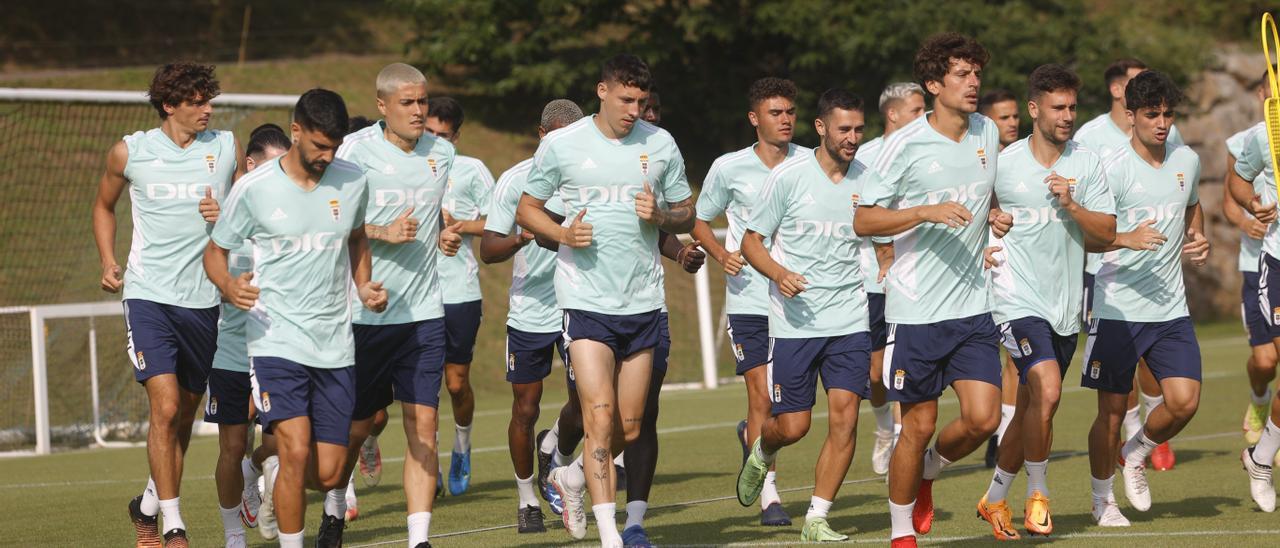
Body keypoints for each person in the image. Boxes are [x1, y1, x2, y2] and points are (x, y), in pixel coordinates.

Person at [516, 53, 695, 547]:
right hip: (585, 301)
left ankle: (570, 474)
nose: (634, 110)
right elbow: (527, 210)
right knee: (597, 415)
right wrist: (562, 234)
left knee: (628, 428)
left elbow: (685, 212)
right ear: (602, 91)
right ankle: (610, 536)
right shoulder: (563, 145)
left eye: (641, 101)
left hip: (643, 303)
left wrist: (661, 212)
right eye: (625, 99)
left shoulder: (661, 144)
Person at [205, 88, 389, 548]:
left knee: (327, 473)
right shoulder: (255, 187)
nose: (327, 156)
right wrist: (229, 286)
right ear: (296, 132)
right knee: (296, 448)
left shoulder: (352, 180)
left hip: (335, 344)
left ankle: (267, 466)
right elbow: (216, 252)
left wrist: (363, 285)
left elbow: (357, 238)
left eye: (334, 147)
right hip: (274, 340)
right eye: (319, 146)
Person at [853, 32, 1013, 548]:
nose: (973, 83)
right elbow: (863, 219)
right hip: (916, 311)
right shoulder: (901, 146)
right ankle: (901, 534)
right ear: (933, 84)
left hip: (972, 306)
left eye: (976, 74)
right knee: (917, 425)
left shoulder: (987, 131)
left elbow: (987, 194)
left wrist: (996, 218)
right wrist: (924, 211)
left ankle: (929, 472)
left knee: (984, 418)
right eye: (962, 75)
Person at [94, 61, 242, 548]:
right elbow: (103, 206)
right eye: (198, 101)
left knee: (182, 419)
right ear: (169, 105)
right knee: (166, 406)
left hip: (205, 301)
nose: (208, 109)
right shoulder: (130, 151)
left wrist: (226, 214)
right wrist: (108, 260)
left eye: (209, 99)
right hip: (148, 295)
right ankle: (174, 526)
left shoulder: (224, 148)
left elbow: (248, 209)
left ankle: (147, 506)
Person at [976, 64, 1117, 539]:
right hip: (1015, 298)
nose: (1068, 115)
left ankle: (994, 499)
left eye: (1073, 106)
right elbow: (974, 214)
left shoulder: (1087, 163)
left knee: (1039, 406)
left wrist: (1073, 205)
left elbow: (1106, 235)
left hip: (1065, 304)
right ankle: (1039, 496)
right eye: (1058, 107)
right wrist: (988, 227)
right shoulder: (1004, 161)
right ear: (1034, 109)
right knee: (1048, 389)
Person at [325, 63, 462, 548]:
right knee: (359, 426)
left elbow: (431, 206)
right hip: (367, 312)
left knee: (424, 422)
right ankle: (335, 503)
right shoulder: (353, 154)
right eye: (408, 103)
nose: (419, 111)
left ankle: (418, 539)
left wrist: (444, 230)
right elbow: (328, 221)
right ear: (382, 106)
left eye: (423, 102)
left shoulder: (442, 152)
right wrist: (382, 232)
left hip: (423, 312)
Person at [734, 88, 874, 542]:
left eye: (858, 129)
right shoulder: (789, 177)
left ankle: (817, 516)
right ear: (821, 128)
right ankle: (761, 448)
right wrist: (778, 273)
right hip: (795, 325)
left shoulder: (870, 179)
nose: (853, 138)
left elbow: (885, 231)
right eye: (844, 129)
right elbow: (751, 241)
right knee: (793, 425)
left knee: (846, 418)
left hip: (850, 320)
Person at [1082, 70, 1208, 526]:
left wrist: (1198, 236)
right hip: (1116, 307)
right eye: (1151, 114)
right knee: (1112, 412)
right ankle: (1102, 501)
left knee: (1185, 401)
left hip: (1170, 306)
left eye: (1168, 115)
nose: (1161, 123)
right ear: (1130, 115)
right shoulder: (1109, 169)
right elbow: (1089, 238)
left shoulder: (1186, 160)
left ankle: (1135, 455)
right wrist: (1124, 239)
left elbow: (1192, 205)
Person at [692, 76, 805, 527]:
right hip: (749, 302)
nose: (785, 120)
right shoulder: (729, 167)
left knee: (790, 409)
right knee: (761, 396)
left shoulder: (811, 163)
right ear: (754, 118)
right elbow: (701, 221)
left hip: (798, 302)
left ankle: (752, 439)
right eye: (775, 113)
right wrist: (722, 255)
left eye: (790, 112)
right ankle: (770, 495)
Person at [479, 98, 585, 533]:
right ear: (542, 136)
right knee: (525, 407)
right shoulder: (516, 181)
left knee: (586, 405)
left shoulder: (587, 177)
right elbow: (488, 249)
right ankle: (527, 500)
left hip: (579, 305)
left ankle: (556, 456)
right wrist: (525, 236)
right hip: (530, 313)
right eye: (556, 136)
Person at [1076, 59, 1184, 471]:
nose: (1161, 118)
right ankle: (1131, 430)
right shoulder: (1091, 136)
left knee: (1154, 362)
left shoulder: (1171, 138)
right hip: (1106, 271)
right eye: (1134, 84)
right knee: (1118, 383)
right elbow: (1086, 208)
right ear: (1118, 93)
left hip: (1158, 272)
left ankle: (1146, 437)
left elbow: (1183, 187)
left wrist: (1192, 233)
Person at [207, 124, 291, 547]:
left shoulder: (291, 212)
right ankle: (233, 534)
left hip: (276, 348)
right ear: (252, 164)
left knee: (281, 441)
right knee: (232, 445)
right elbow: (205, 262)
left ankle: (253, 470)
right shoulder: (220, 213)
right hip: (230, 351)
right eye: (277, 165)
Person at [855, 82, 926, 476]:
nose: (924, 118)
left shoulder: (930, 152)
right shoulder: (864, 157)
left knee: (903, 367)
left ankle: (904, 441)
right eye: (916, 111)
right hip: (869, 279)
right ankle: (884, 427)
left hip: (914, 280)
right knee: (874, 372)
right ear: (893, 115)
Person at [425, 96, 494, 495]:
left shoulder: (472, 170)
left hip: (460, 293)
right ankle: (428, 464)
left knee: (455, 384)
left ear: (457, 136)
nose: (435, 140)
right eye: (430, 132)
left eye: (444, 135)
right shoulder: (408, 170)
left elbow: (499, 222)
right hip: (417, 296)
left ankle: (463, 445)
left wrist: (461, 225)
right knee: (425, 388)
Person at [1230, 68, 1280, 514]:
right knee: (1269, 359)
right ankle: (1262, 458)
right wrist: (1251, 206)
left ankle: (1259, 457)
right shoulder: (1263, 137)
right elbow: (1235, 183)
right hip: (1276, 263)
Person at [1222, 75, 1277, 453]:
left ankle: (1266, 449)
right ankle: (1260, 399)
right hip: (1256, 262)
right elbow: (1231, 194)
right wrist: (1248, 217)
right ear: (1262, 94)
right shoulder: (1250, 139)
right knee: (1264, 359)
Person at [977, 88, 1022, 468]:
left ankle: (1003, 433)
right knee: (985, 352)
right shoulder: (982, 159)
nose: (1012, 123)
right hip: (978, 262)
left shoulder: (1027, 158)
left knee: (1014, 354)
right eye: (1003, 118)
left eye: (1014, 116)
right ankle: (988, 424)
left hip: (1014, 263)